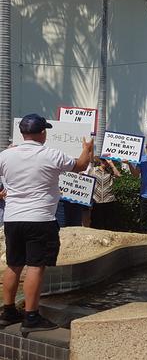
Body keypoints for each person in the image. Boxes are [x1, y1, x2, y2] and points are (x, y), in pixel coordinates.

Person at [0, 114, 93, 333]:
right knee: (35, 266)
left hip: (12, 218)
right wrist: (87, 149)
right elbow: (80, 166)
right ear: (43, 133)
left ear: (23, 133)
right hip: (40, 219)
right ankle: (31, 316)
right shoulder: (51, 154)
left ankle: (8, 310)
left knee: (13, 264)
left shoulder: (5, 155)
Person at [88, 157, 121, 231]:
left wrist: (111, 164)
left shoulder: (110, 171)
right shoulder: (93, 170)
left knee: (109, 225)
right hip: (96, 200)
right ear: (100, 160)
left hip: (109, 200)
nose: (105, 162)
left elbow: (118, 175)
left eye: (106, 160)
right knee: (96, 225)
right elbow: (88, 183)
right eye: (103, 160)